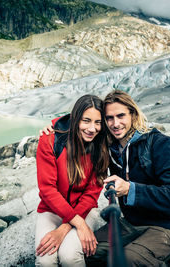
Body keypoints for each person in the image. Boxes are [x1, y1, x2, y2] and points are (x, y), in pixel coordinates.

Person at [41, 90, 170, 266]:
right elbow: (81, 123)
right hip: (130, 222)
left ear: (133, 115)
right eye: (109, 118)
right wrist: (54, 128)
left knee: (127, 260)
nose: (115, 123)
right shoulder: (108, 146)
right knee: (86, 250)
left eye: (121, 116)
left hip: (167, 226)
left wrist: (130, 189)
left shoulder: (160, 144)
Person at [35, 94, 109, 267]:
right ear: (76, 119)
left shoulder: (101, 145)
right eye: (86, 120)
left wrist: (65, 227)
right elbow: (47, 189)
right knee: (45, 259)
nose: (92, 128)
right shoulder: (51, 139)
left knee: (70, 256)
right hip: (51, 210)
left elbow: (92, 194)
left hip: (83, 209)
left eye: (98, 122)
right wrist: (79, 225)